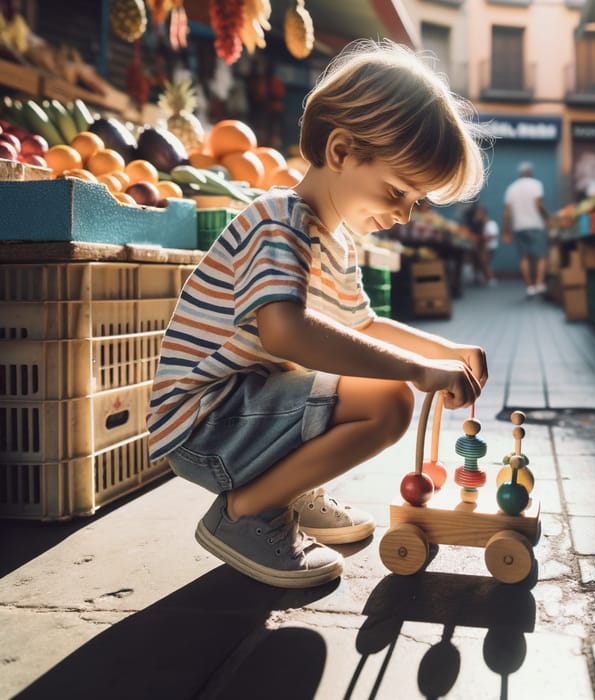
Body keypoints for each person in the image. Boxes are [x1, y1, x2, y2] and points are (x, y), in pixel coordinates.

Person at [147, 39, 488, 589]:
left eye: (415, 201)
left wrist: (445, 352)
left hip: (242, 411)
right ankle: (247, 512)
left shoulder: (336, 240)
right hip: (205, 427)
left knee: (367, 383)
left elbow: (362, 326)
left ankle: (287, 487)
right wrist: (415, 370)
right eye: (398, 190)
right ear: (341, 151)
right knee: (388, 401)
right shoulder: (279, 223)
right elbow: (285, 333)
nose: (403, 214)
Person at [502, 162, 549, 296]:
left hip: (519, 226)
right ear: (530, 172)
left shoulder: (511, 188)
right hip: (536, 225)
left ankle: (529, 287)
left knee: (524, 257)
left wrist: (506, 231)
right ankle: (539, 284)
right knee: (540, 256)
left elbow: (507, 212)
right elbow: (538, 205)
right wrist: (547, 218)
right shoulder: (536, 185)